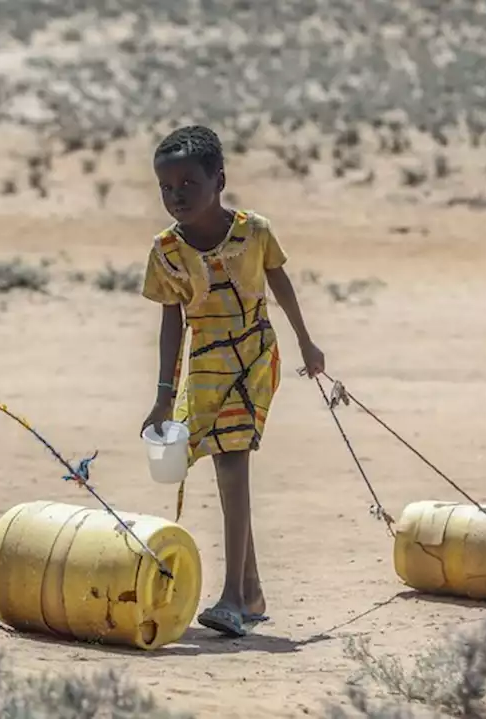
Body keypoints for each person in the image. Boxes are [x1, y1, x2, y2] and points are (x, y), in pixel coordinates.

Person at [140, 125, 326, 639]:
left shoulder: (254, 231)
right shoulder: (165, 251)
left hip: (251, 352)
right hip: (203, 362)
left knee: (232, 461)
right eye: (166, 188)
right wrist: (161, 396)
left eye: (188, 185)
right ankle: (251, 591)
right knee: (211, 463)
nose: (176, 197)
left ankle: (231, 599)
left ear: (218, 180)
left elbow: (279, 281)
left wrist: (307, 343)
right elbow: (171, 321)